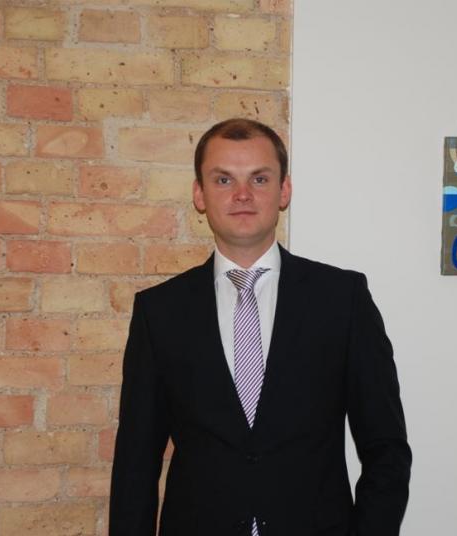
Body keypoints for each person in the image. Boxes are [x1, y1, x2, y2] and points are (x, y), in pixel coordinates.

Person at [109, 118, 411, 536]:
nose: (242, 194)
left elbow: (386, 448)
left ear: (284, 190)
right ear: (199, 194)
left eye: (259, 178)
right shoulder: (159, 311)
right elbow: (135, 463)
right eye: (223, 179)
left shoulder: (343, 300)